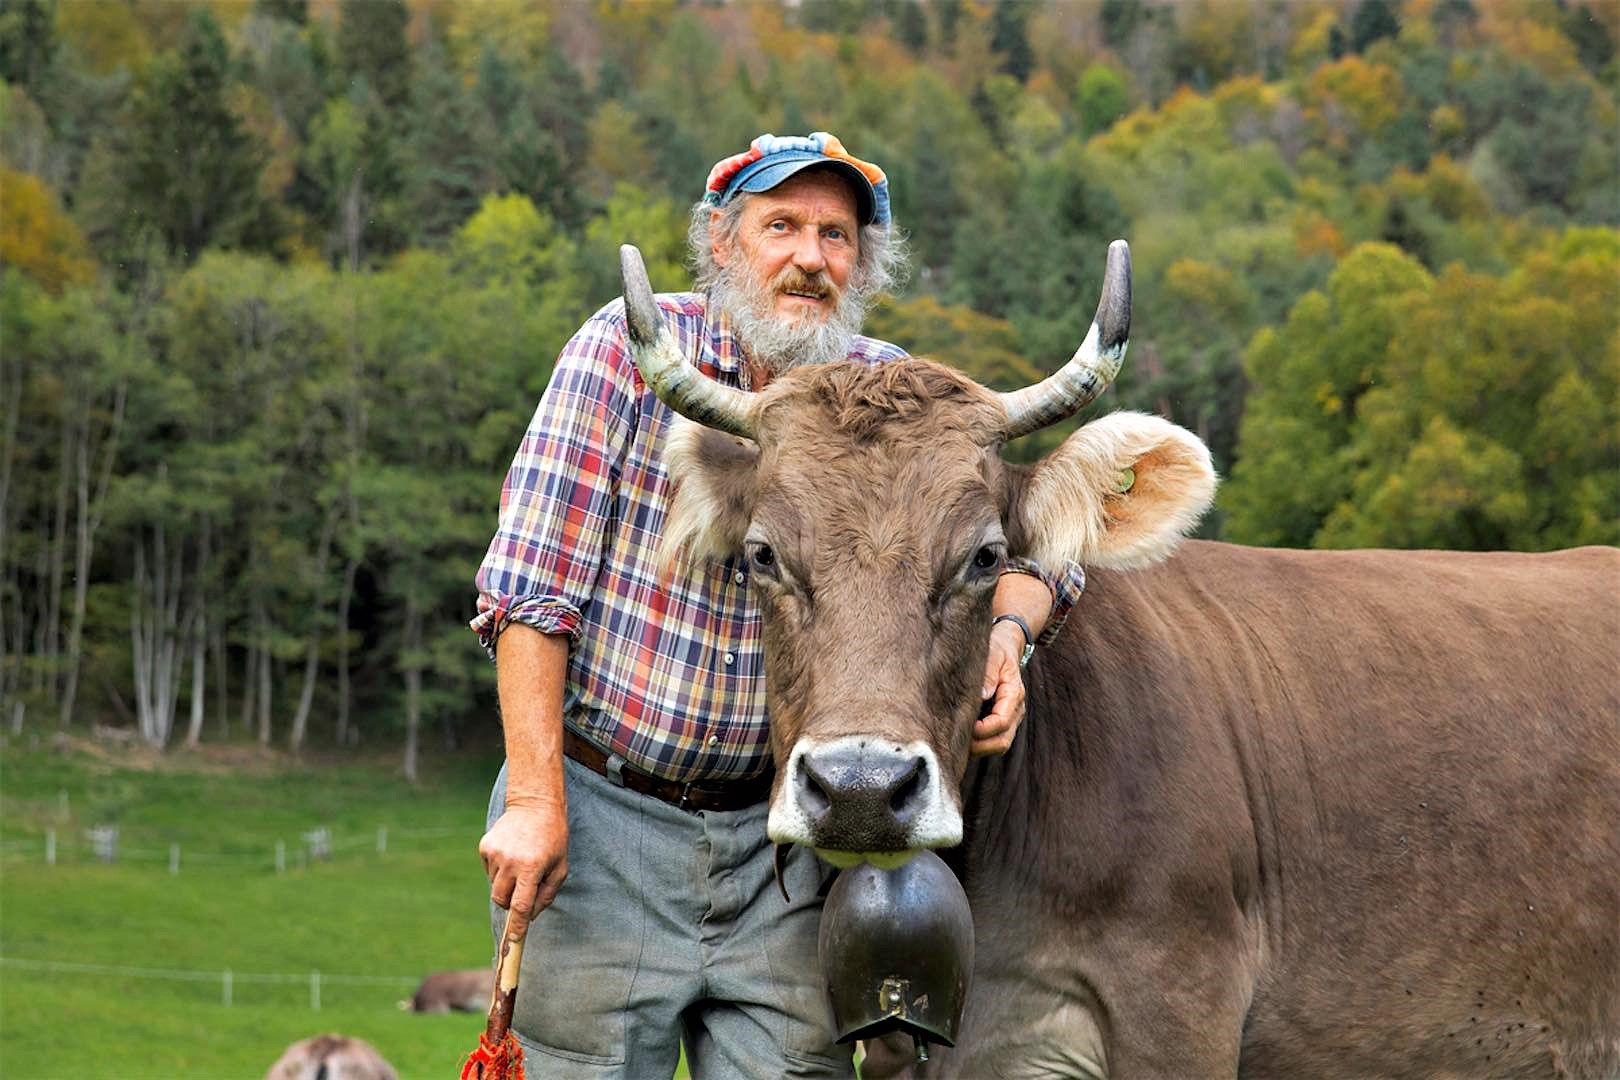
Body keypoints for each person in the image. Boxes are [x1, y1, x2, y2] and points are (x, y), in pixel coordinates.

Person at [471, 132, 1086, 1078]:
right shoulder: (628, 354)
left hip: (793, 849)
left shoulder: (898, 395)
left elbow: (1050, 550)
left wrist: (1009, 633)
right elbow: (529, 588)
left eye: (837, 236)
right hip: (606, 828)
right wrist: (536, 801)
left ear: (863, 264)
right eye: (782, 227)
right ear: (724, 244)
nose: (810, 258)